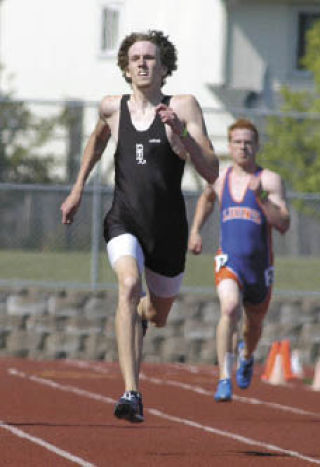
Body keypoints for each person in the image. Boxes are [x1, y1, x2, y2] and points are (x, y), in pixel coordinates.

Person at [60, 30, 218, 422]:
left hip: (168, 231)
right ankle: (132, 392)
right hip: (124, 219)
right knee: (128, 285)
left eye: (151, 58)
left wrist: (180, 132)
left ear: (164, 67)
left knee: (157, 315)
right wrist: (77, 188)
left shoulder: (183, 106)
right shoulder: (112, 108)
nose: (143, 63)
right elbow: (97, 141)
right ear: (126, 68)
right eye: (136, 58)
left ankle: (144, 315)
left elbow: (213, 170)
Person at [188, 118, 290, 402]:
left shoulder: (269, 180)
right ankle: (223, 377)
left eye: (248, 142)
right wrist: (195, 230)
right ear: (230, 147)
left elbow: (284, 223)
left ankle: (247, 355)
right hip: (228, 260)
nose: (243, 147)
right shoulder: (221, 179)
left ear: (256, 146)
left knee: (253, 326)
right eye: (237, 142)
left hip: (259, 268)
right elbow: (207, 198)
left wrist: (264, 201)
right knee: (230, 308)